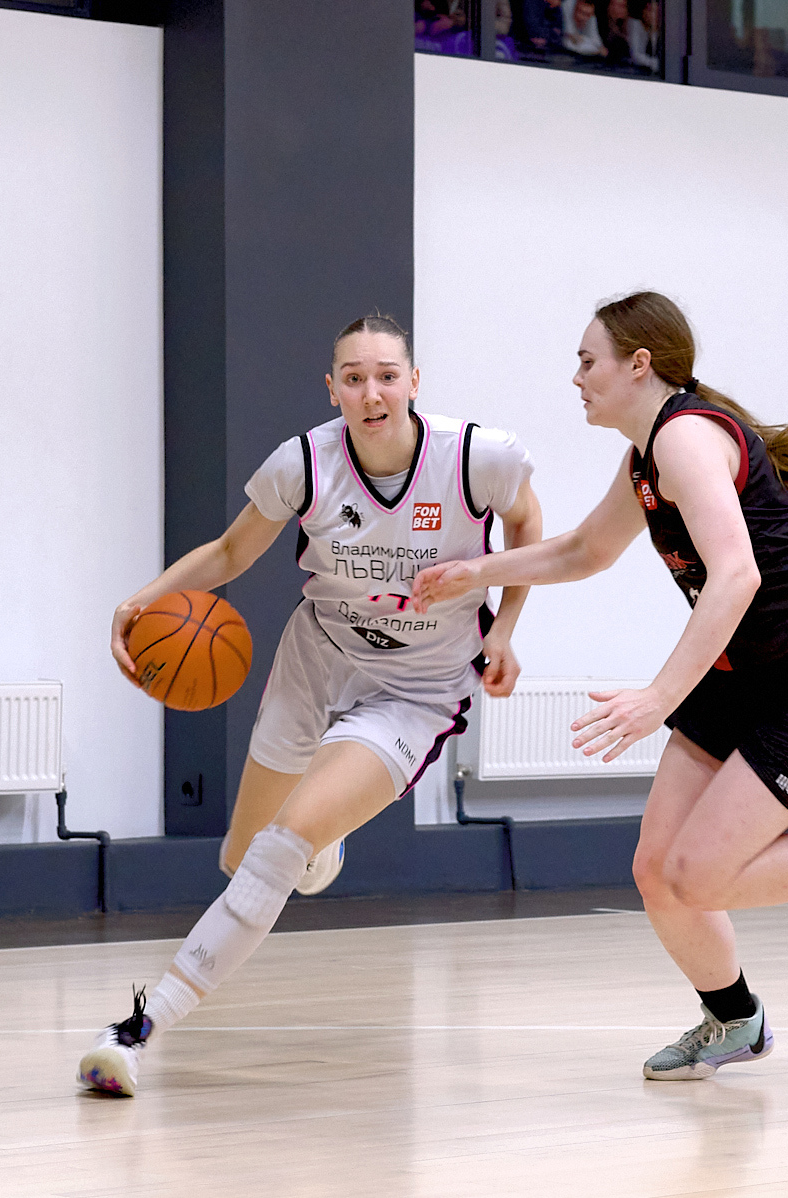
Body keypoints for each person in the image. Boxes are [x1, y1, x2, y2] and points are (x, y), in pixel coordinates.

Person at [410, 292, 788, 1081]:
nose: (576, 376)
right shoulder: (646, 454)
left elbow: (736, 575)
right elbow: (585, 551)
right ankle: (735, 1020)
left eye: (587, 360)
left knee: (698, 875)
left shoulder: (685, 439)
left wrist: (658, 698)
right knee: (657, 871)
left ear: (639, 364)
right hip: (744, 665)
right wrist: (477, 572)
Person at [78, 315, 542, 1095]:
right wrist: (142, 599)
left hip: (416, 689)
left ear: (415, 381)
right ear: (332, 389)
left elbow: (528, 525)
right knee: (241, 857)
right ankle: (320, 843)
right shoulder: (303, 463)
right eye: (354, 378)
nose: (372, 393)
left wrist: (506, 629)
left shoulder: (478, 458)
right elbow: (231, 552)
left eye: (387, 375)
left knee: (279, 847)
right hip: (317, 659)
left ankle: (139, 1027)